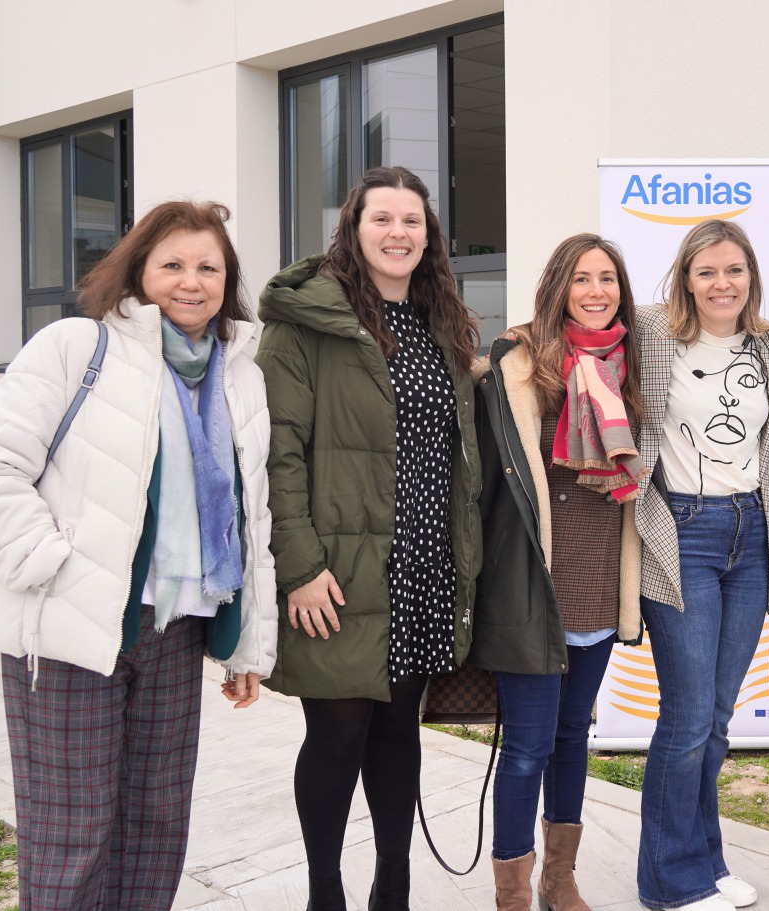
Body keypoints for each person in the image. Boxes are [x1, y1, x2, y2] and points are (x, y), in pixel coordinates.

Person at [0, 201, 276, 911]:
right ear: (138, 272)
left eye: (208, 267)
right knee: (73, 832)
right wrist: (52, 566)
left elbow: (254, 518)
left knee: (156, 826)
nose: (191, 282)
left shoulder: (237, 376)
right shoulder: (75, 347)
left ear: (228, 280)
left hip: (176, 630)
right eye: (173, 265)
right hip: (71, 626)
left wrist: (250, 642)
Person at [256, 165, 482, 911]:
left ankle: (395, 884)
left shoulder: (440, 321)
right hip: (340, 567)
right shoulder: (306, 321)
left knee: (397, 732)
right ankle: (326, 892)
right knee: (336, 735)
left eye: (412, 221)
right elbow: (278, 451)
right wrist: (299, 566)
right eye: (381, 219)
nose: (397, 233)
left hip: (423, 561)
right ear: (354, 229)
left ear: (429, 236)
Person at [469, 233, 646, 911]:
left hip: (600, 574)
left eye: (607, 278)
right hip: (531, 580)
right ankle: (512, 893)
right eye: (581, 279)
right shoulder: (517, 361)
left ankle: (558, 879)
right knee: (527, 746)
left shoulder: (631, 364)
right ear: (557, 289)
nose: (596, 290)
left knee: (575, 736)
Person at [632, 219, 769, 911]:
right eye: (707, 271)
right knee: (687, 715)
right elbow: (569, 327)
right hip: (682, 528)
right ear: (685, 277)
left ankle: (706, 860)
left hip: (750, 534)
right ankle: (668, 879)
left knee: (718, 716)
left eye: (734, 270)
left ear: (750, 274)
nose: (722, 283)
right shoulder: (650, 330)